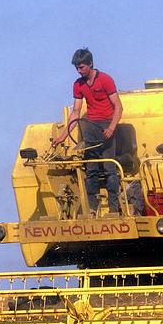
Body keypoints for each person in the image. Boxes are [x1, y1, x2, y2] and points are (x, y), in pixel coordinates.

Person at [52, 48, 123, 215]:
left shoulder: (105, 80)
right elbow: (76, 112)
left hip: (107, 126)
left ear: (90, 64)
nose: (79, 70)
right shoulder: (78, 84)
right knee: (91, 169)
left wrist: (111, 128)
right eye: (76, 67)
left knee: (109, 167)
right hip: (90, 126)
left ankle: (113, 208)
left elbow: (118, 107)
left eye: (81, 67)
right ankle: (92, 207)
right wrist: (63, 136)